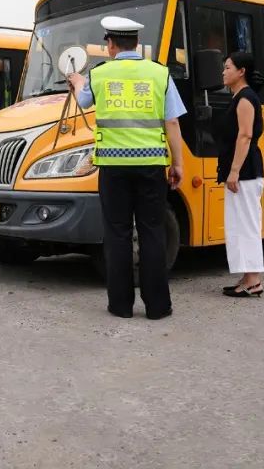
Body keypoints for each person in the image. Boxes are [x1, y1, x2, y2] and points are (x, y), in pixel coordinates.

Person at [68, 16, 186, 320]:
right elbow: (172, 122)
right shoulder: (160, 73)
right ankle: (158, 307)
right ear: (137, 44)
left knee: (118, 234)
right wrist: (178, 164)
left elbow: (82, 102)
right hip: (151, 166)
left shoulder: (100, 74)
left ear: (110, 44)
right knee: (152, 233)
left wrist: (78, 81)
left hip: (113, 167)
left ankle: (120, 306)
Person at [217, 52, 264, 297]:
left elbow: (245, 136)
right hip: (240, 171)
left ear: (241, 71)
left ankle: (254, 280)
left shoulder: (246, 98)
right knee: (238, 224)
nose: (223, 72)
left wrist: (234, 171)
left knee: (246, 224)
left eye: (227, 67)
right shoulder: (239, 97)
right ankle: (247, 277)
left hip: (245, 172)